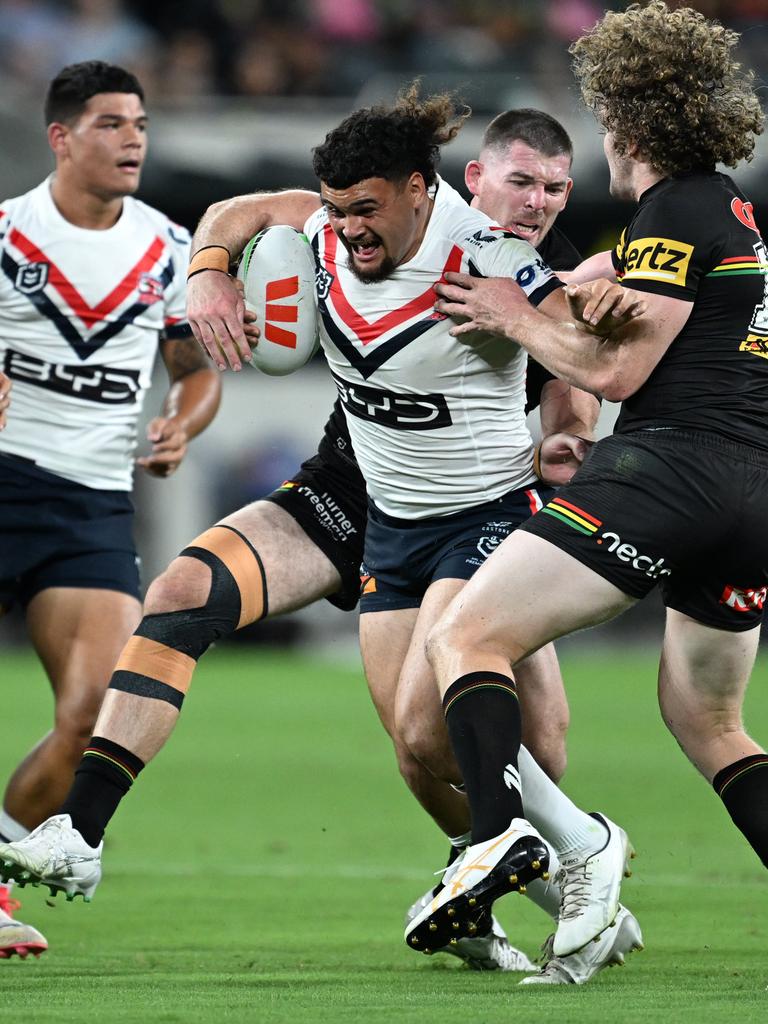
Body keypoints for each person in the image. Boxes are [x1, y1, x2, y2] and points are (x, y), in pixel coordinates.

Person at [0, 89, 643, 979]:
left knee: (502, 739)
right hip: (364, 501)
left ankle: (566, 851)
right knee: (216, 611)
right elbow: (237, 212)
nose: (536, 204)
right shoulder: (325, 228)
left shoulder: (505, 265)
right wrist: (210, 271)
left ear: (424, 190)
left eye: (555, 190)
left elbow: (589, 363)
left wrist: (564, 377)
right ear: (474, 173)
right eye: (522, 183)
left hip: (482, 517)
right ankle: (81, 832)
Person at [413, 0, 768, 962]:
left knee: (466, 634)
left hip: (674, 470)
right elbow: (650, 299)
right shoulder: (723, 206)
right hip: (752, 497)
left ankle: (499, 841)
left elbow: (614, 375)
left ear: (632, 121)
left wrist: (511, 311)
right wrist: (571, 289)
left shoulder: (677, 206)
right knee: (709, 721)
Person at [0, 61, 221, 959]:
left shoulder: (169, 248)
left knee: (99, 709)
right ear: (61, 136)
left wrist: (182, 423)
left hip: (91, 501)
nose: (134, 138)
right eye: (110, 123)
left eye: (140, 123)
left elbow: (197, 367)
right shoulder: (8, 236)